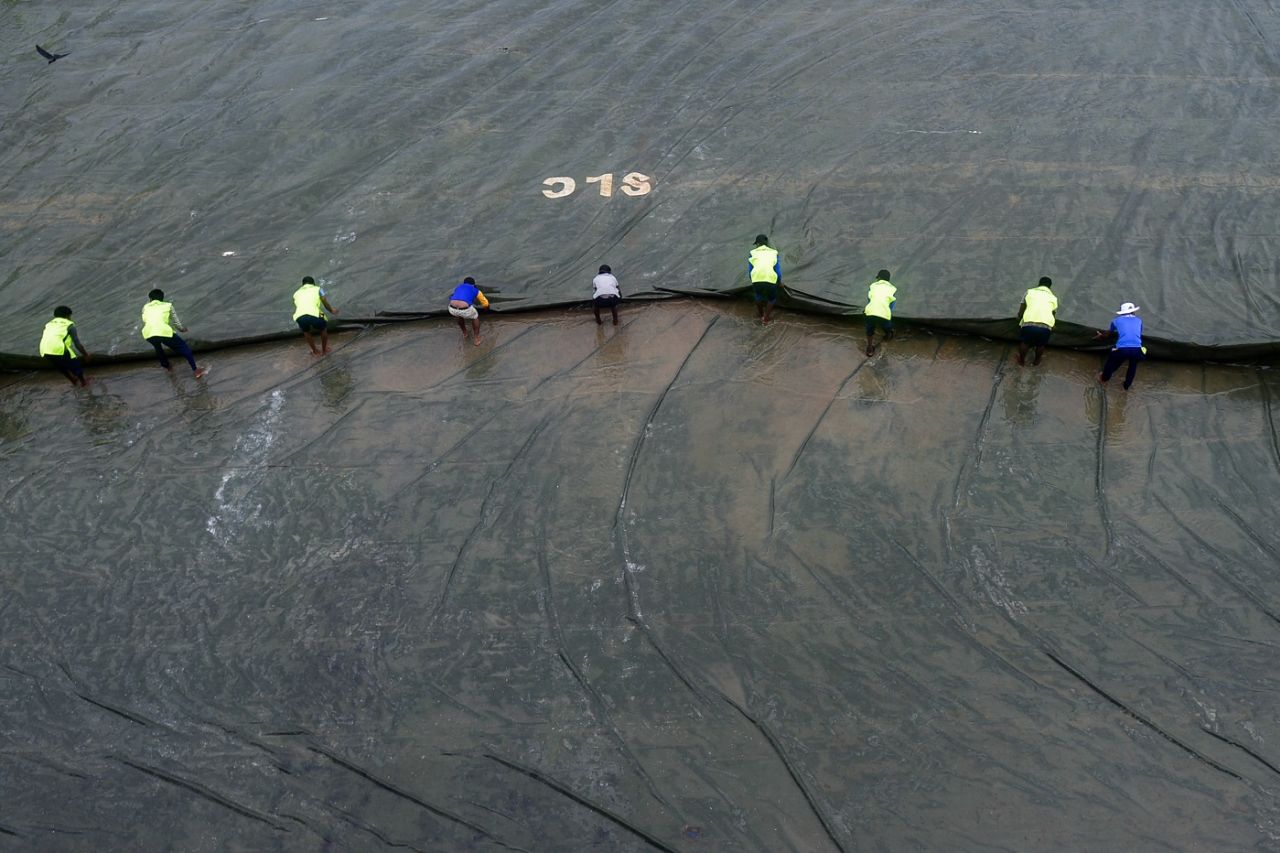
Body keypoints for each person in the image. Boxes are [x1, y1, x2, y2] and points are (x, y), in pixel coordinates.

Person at [141, 289, 207, 378]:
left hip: (148, 333)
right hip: (163, 331)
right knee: (184, 347)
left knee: (158, 348)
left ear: (150, 299)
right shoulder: (168, 305)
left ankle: (167, 367)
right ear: (162, 298)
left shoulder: (145, 307)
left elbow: (146, 319)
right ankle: (196, 370)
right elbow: (176, 322)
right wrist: (182, 329)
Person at [1095, 302, 1145, 390]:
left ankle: (1104, 378)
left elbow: (1108, 334)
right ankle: (1126, 386)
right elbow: (1138, 335)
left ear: (1122, 312)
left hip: (1122, 349)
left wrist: (1101, 336)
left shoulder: (1116, 321)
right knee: (1132, 367)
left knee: (1111, 361)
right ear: (1133, 312)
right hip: (1137, 349)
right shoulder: (1139, 321)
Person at [39, 305, 90, 387]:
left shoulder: (48, 324)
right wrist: (85, 354)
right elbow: (77, 343)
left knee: (60, 367)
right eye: (70, 316)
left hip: (44, 349)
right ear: (68, 316)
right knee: (75, 365)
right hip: (58, 348)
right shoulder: (70, 326)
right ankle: (83, 382)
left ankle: (73, 380)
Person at [1017, 276, 1058, 366]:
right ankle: (1036, 361)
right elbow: (1053, 314)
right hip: (1046, 325)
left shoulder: (1029, 292)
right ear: (1050, 287)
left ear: (1039, 284)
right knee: (1041, 344)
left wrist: (1020, 317)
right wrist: (1052, 325)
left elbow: (1021, 309)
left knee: (1025, 342)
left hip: (1029, 322)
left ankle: (1022, 360)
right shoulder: (1054, 298)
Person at [292, 276, 338, 355]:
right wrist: (331, 310)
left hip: (299, 316)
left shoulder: (296, 293)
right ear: (313, 283)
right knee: (323, 328)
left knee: (306, 332)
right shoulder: (318, 289)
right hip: (315, 313)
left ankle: (315, 351)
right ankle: (324, 349)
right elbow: (324, 300)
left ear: (302, 284)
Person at [748, 234, 782, 324]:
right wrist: (780, 282)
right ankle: (766, 318)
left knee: (758, 296)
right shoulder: (774, 253)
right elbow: (777, 271)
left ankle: (760, 314)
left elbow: (750, 270)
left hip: (756, 279)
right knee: (772, 299)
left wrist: (753, 280)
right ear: (766, 243)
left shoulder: (752, 253)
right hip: (770, 279)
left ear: (758, 244)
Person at [449, 276, 489, 344]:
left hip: (451, 309)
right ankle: (476, 338)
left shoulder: (458, 287)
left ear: (464, 283)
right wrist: (487, 309)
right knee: (475, 317)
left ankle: (465, 333)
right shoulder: (476, 290)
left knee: (459, 315)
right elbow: (485, 304)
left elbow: (452, 297)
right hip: (465, 310)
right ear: (473, 284)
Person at [864, 269, 896, 356]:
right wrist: (887, 311)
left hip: (870, 312)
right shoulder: (893, 289)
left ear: (878, 278)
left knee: (869, 330)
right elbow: (892, 304)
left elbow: (869, 299)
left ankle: (870, 348)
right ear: (888, 279)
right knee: (887, 326)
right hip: (884, 313)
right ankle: (888, 335)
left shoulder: (873, 286)